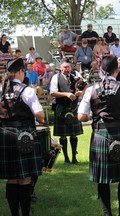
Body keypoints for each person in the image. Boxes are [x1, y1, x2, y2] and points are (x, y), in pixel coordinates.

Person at [77, 56, 120, 216]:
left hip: (100, 135)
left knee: (103, 178)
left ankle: (108, 213)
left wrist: (92, 117)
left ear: (101, 70)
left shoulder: (91, 90)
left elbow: (80, 117)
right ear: (117, 70)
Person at [0, 58, 45, 216]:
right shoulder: (26, 90)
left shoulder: (1, 90)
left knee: (12, 178)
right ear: (20, 72)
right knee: (25, 178)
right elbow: (39, 115)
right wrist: (41, 118)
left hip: (5, 136)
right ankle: (25, 214)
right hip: (24, 136)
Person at [50, 61, 84, 164]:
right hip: (61, 108)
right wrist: (67, 94)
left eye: (68, 67)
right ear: (60, 68)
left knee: (74, 134)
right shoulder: (56, 77)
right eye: (65, 67)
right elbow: (53, 93)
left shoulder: (76, 75)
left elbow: (85, 87)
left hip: (73, 108)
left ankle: (74, 158)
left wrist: (80, 92)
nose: (67, 69)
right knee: (63, 135)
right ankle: (66, 158)